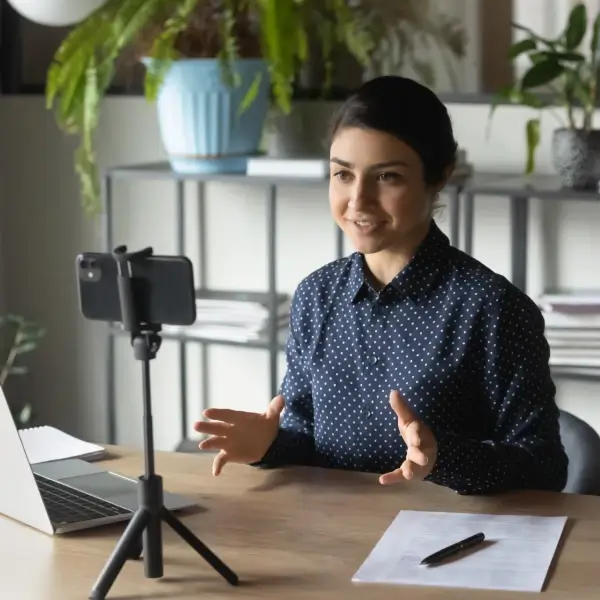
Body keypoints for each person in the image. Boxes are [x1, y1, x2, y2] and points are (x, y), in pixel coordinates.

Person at [193, 75, 568, 495]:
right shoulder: (316, 296)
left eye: (387, 177)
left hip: (452, 539)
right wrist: (267, 445)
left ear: (439, 176)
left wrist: (442, 457)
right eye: (342, 175)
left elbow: (545, 468)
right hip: (334, 531)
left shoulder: (492, 307)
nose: (358, 201)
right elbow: (303, 441)